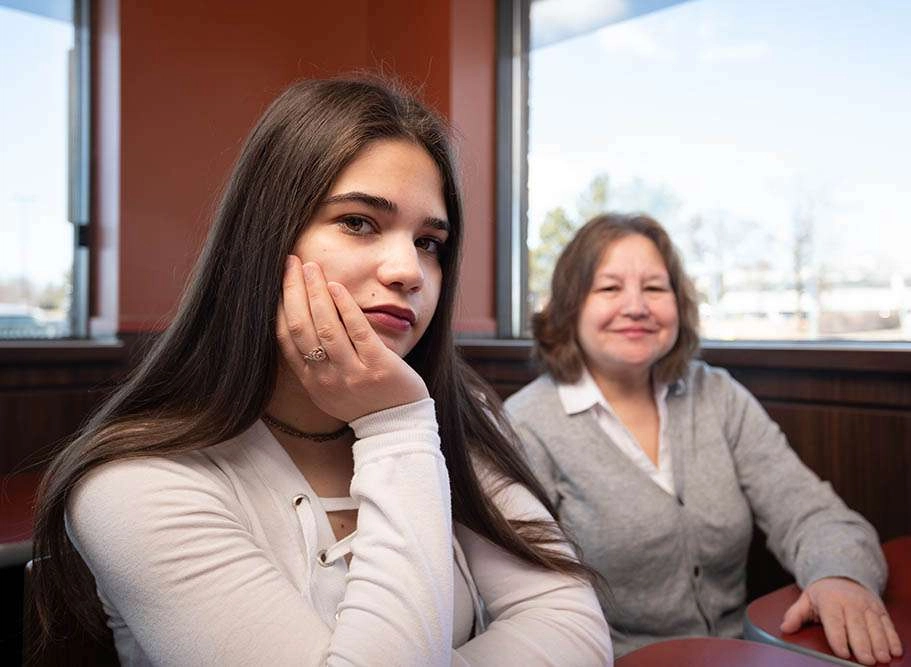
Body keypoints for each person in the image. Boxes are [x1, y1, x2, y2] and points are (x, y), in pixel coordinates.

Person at [31, 76, 612, 666]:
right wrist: (395, 429)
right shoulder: (135, 485)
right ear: (264, 237)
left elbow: (577, 631)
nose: (408, 270)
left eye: (430, 241)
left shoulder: (460, 413)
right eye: (359, 222)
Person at [504, 212, 903, 664]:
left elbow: (811, 512)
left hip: (741, 654)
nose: (636, 306)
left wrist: (840, 576)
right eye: (609, 288)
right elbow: (516, 602)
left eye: (655, 288)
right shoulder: (525, 423)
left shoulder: (718, 396)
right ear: (570, 307)